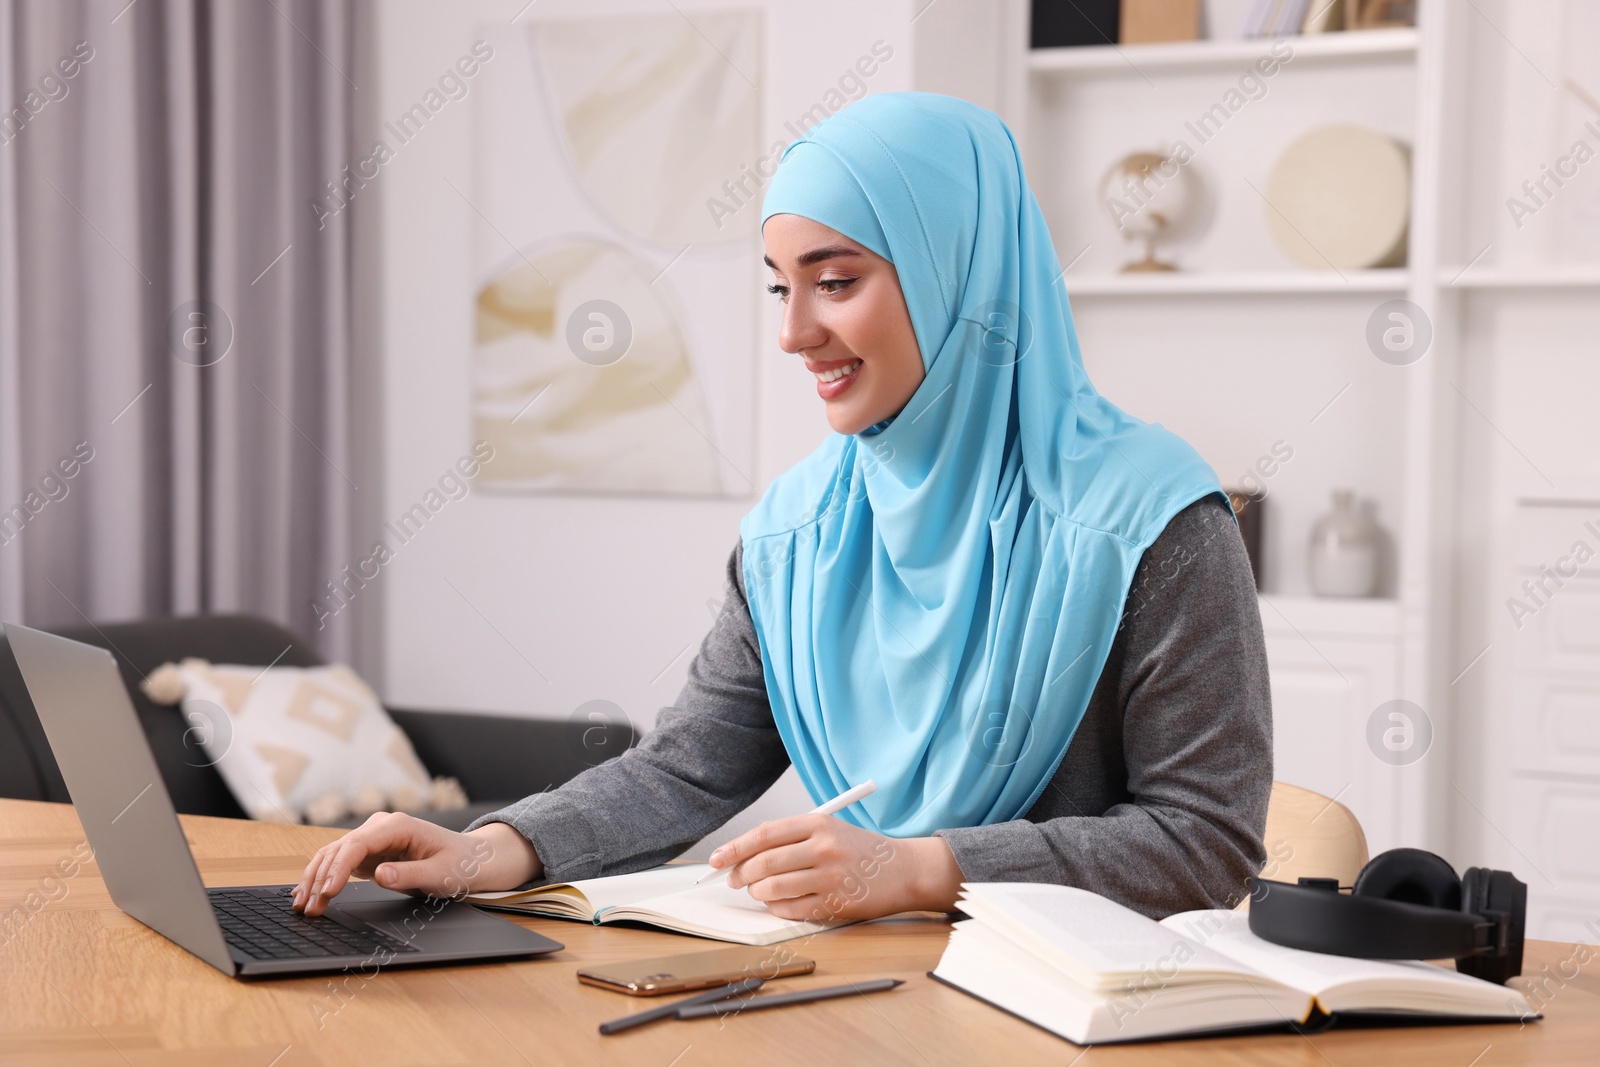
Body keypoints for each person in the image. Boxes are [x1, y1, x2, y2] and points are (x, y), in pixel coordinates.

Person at [293, 92, 1272, 924]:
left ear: (958, 275)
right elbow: (687, 766)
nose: (795, 333)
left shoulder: (1151, 520)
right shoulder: (797, 534)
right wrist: (490, 845)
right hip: (849, 994)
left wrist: (927, 867)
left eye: (836, 281)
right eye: (779, 287)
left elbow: (1205, 839)